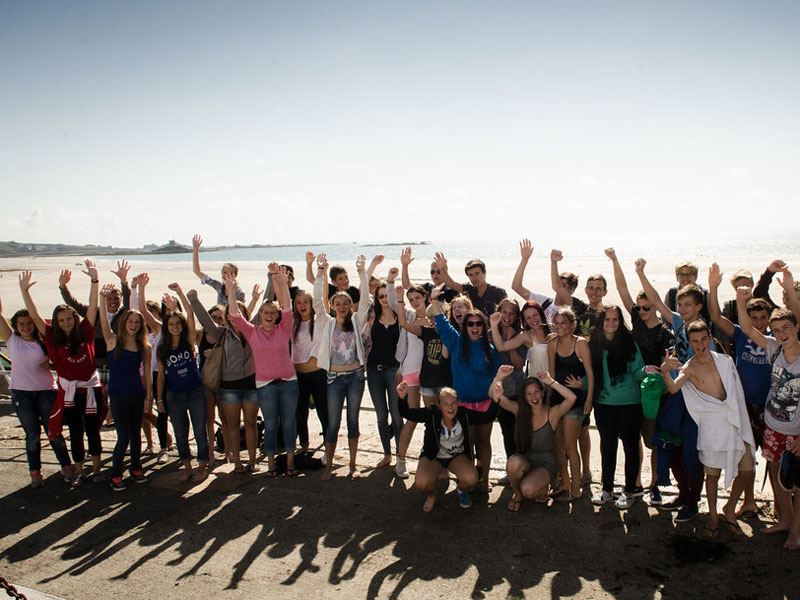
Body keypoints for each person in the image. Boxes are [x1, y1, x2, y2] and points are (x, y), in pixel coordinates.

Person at [661, 320, 756, 538]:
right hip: (712, 426)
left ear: (709, 337)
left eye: (704, 339)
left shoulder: (724, 361)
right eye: (694, 341)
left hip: (733, 421)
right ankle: (713, 516)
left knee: (748, 470)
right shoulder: (690, 367)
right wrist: (666, 371)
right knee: (711, 475)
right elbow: (674, 388)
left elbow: (735, 393)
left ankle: (729, 509)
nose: (700, 344)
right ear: (690, 343)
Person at [636, 257, 713, 523]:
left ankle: (692, 501)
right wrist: (640, 272)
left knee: (692, 451)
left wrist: (676, 370)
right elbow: (657, 301)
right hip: (674, 394)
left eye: (687, 304)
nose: (682, 308)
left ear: (699, 306)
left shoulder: (703, 333)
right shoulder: (680, 323)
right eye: (680, 304)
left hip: (694, 400)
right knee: (672, 447)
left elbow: (703, 369)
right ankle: (683, 494)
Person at [20, 262, 108, 487]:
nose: (66, 322)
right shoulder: (51, 337)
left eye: (69, 318)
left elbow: (92, 306)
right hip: (70, 394)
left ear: (74, 319)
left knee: (93, 431)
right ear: (56, 323)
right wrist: (24, 291)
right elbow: (35, 316)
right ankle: (79, 471)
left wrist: (94, 280)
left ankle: (97, 469)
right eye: (61, 320)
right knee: (76, 433)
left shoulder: (85, 332)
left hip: (91, 389)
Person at [736, 270, 800, 550]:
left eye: (786, 328)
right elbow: (747, 328)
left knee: (797, 482)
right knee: (776, 473)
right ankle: (785, 520)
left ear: (796, 327)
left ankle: (796, 532)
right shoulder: (773, 348)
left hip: (797, 431)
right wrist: (741, 299)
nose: (781, 333)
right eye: (776, 330)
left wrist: (789, 291)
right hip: (774, 425)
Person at [605, 248, 675, 504]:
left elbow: (670, 363)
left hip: (656, 392)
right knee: (632, 440)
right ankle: (634, 483)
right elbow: (622, 290)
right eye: (640, 306)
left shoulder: (665, 333)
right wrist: (614, 260)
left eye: (648, 306)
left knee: (653, 441)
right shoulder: (636, 320)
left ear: (655, 306)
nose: (643, 310)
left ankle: (655, 485)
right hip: (633, 390)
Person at [708, 262, 773, 517]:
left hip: (767, 407)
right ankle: (747, 500)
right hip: (742, 405)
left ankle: (764, 501)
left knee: (768, 455)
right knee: (746, 456)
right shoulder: (740, 334)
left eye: (762, 318)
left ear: (769, 319)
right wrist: (714, 288)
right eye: (753, 318)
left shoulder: (775, 340)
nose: (757, 322)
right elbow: (715, 317)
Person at [227, 265, 298, 477]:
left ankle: (291, 463)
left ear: (276, 316)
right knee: (271, 424)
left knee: (288, 423)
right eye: (265, 312)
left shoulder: (283, 328)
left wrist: (283, 284)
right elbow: (234, 314)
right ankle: (270, 464)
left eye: (272, 313)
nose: (269, 315)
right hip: (265, 386)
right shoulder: (252, 332)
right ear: (261, 315)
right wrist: (230, 291)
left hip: (289, 383)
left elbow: (287, 307)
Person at [0, 292, 73, 487]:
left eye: (29, 323)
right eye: (21, 324)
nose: (26, 327)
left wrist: (48, 367)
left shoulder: (44, 343)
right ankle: (35, 473)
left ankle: (67, 467)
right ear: (16, 326)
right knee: (32, 435)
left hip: (46, 393)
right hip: (21, 394)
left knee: (54, 434)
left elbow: (61, 363)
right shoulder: (12, 340)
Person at [432, 283, 500, 492]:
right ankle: (469, 480)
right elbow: (441, 323)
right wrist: (434, 300)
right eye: (470, 324)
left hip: (486, 404)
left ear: (483, 325)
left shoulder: (489, 348)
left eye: (479, 323)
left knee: (484, 443)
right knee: (467, 444)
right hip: (464, 404)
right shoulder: (455, 341)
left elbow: (496, 376)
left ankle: (485, 479)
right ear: (465, 325)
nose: (474, 327)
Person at [187, 288, 259, 473]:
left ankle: (252, 461)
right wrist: (193, 300)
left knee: (251, 424)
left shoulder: (252, 331)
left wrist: (272, 279)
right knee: (233, 425)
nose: (238, 316)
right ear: (228, 316)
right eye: (234, 313)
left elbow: (264, 307)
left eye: (242, 313)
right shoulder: (222, 334)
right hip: (229, 387)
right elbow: (205, 320)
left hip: (251, 385)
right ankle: (237, 463)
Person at [313, 253, 371, 480]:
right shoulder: (327, 323)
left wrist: (362, 273)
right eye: (337, 304)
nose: (342, 306)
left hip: (356, 377)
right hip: (334, 380)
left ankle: (353, 465)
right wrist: (320, 273)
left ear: (350, 305)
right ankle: (329, 467)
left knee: (353, 421)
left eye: (346, 303)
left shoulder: (357, 321)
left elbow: (365, 300)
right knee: (333, 423)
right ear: (333, 306)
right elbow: (317, 301)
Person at [588, 305, 650, 509]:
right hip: (604, 403)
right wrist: (578, 384)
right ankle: (606, 489)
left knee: (631, 448)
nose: (611, 323)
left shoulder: (628, 343)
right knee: (608, 447)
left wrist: (647, 371)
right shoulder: (593, 344)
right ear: (601, 322)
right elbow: (590, 373)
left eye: (615, 320)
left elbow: (637, 371)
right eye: (607, 320)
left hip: (629, 403)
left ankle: (630, 490)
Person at [491, 365, 577, 511]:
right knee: (513, 462)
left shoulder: (552, 413)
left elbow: (572, 397)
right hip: (526, 459)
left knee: (528, 490)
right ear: (524, 397)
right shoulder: (520, 410)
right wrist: (498, 377)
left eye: (537, 392)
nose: (533, 397)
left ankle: (542, 487)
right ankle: (517, 495)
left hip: (546, 464)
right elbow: (495, 396)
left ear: (542, 393)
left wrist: (550, 381)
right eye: (528, 394)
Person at [97, 285, 153, 490]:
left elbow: (147, 373)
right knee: (123, 436)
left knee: (136, 434)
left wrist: (150, 398)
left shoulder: (144, 346)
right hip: (118, 395)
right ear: (124, 323)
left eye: (137, 322)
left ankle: (136, 469)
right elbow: (103, 321)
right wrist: (102, 299)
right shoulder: (113, 341)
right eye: (130, 321)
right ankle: (116, 473)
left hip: (137, 394)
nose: (134, 324)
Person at [397, 382, 479, 512]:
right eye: (445, 404)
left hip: (456, 456)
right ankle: (432, 495)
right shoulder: (432, 413)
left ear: (458, 403)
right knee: (422, 483)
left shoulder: (463, 414)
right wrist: (402, 397)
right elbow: (408, 414)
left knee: (472, 479)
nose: (450, 408)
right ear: (439, 405)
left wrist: (496, 397)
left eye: (453, 403)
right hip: (434, 456)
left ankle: (461, 490)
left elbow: (488, 416)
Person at [157, 287, 209, 483]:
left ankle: (202, 466)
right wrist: (160, 398)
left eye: (178, 323)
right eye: (171, 324)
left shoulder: (188, 341)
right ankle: (187, 467)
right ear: (166, 326)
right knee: (180, 433)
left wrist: (180, 293)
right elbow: (161, 376)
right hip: (174, 396)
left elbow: (189, 313)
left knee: (199, 431)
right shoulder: (162, 349)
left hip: (195, 392)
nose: (175, 326)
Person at [387, 270, 430, 478]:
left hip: (432, 375)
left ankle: (435, 459)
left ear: (425, 297)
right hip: (411, 372)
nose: (414, 302)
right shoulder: (409, 316)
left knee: (433, 418)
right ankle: (401, 460)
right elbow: (394, 305)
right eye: (411, 299)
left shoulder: (436, 317)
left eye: (417, 298)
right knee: (412, 418)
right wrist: (393, 287)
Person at [548, 308, 594, 500]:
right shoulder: (553, 343)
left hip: (576, 400)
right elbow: (551, 373)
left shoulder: (580, 344)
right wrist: (547, 401)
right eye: (556, 323)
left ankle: (576, 489)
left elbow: (590, 373)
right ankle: (565, 484)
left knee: (570, 445)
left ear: (572, 325)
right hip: (558, 400)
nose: (559, 327)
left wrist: (589, 399)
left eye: (563, 323)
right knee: (557, 446)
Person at [133, 273, 174, 464]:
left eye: (152, 313)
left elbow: (142, 309)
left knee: (164, 410)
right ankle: (161, 444)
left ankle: (167, 443)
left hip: (162, 375)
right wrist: (138, 288)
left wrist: (141, 288)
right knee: (145, 411)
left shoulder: (160, 330)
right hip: (144, 376)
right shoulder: (139, 334)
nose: (148, 317)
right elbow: (137, 310)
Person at [362, 278, 401, 470]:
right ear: (376, 298)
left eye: (387, 295)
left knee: (397, 416)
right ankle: (387, 454)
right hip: (374, 371)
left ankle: (400, 457)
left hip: (394, 370)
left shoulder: (401, 316)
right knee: (381, 415)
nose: (385, 299)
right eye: (381, 296)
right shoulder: (371, 316)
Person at [290, 288, 328, 454]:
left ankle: (329, 445)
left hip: (318, 374)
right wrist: (276, 279)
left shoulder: (320, 320)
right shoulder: (292, 322)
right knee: (300, 412)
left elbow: (324, 297)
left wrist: (320, 271)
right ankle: (304, 445)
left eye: (305, 301)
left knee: (323, 411)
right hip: (298, 376)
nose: (302, 305)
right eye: (298, 302)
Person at [511, 239, 586, 322]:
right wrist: (524, 259)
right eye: (563, 285)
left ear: (573, 291)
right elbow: (516, 287)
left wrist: (553, 262)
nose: (565, 289)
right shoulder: (544, 301)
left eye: (570, 287)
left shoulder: (571, 308)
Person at [433, 253, 507, 316]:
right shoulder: (469, 290)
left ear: (484, 273)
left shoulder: (498, 292)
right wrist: (442, 268)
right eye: (470, 275)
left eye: (477, 273)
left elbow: (507, 313)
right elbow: (452, 284)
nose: (474, 278)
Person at [192, 234, 244, 306]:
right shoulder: (219, 286)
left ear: (235, 275)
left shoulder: (239, 293)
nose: (227, 275)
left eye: (230, 273)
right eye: (225, 272)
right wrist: (195, 248)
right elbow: (197, 271)